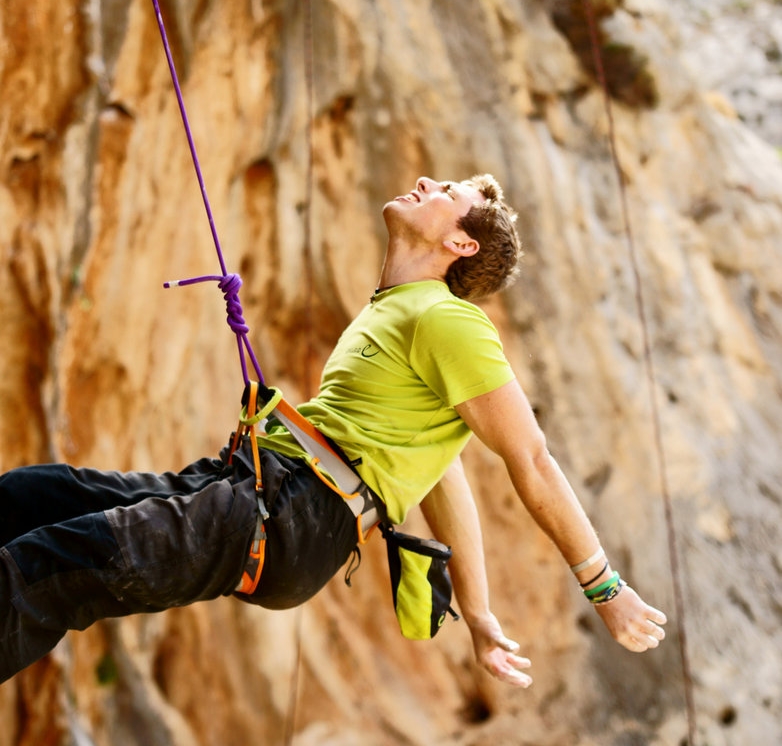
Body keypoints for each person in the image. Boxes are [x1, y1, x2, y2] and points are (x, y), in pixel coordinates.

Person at [0, 174, 666, 686]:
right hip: (258, 488)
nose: (428, 183)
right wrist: (479, 610)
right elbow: (442, 472)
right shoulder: (398, 310)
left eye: (448, 192)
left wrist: (604, 587)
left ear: (460, 244)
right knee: (33, 497)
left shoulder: (450, 320)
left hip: (295, 516)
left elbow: (534, 460)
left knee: (52, 568)